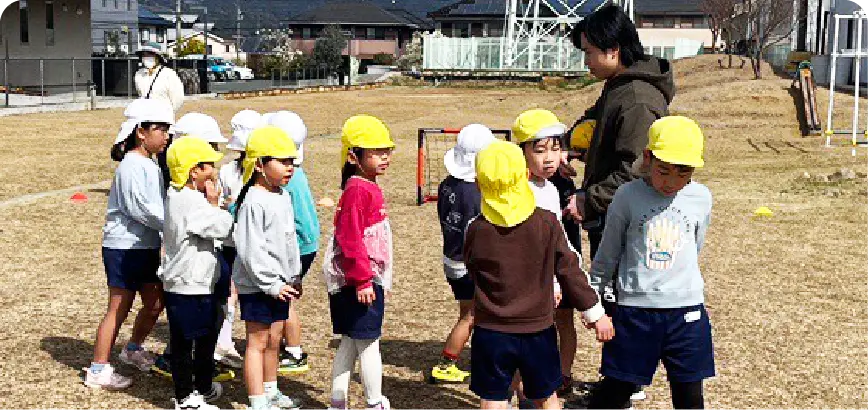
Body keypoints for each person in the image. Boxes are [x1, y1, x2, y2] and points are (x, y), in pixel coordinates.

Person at [464, 140, 611, 410]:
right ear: (526, 176)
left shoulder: (476, 229)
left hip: (491, 331)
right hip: (537, 330)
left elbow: (471, 266)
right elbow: (569, 270)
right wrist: (594, 313)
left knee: (493, 398)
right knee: (546, 395)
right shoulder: (546, 222)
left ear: (478, 184)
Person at [584, 116, 714, 410]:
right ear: (647, 158)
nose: (671, 182)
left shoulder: (701, 198)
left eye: (683, 173)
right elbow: (609, 251)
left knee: (690, 394)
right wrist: (593, 296)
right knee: (616, 389)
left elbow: (695, 246)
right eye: (663, 170)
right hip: (635, 312)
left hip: (686, 312)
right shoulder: (627, 196)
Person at [85, 99, 173, 390]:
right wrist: (175, 224)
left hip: (145, 246)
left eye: (167, 130)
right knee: (119, 307)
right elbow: (141, 209)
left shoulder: (150, 163)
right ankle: (98, 368)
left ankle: (133, 348)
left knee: (155, 302)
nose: (166, 136)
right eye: (161, 129)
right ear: (141, 132)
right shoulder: (132, 164)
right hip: (124, 247)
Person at [150, 113, 236, 383]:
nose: (214, 169)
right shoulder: (191, 201)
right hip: (190, 282)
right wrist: (216, 205)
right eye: (208, 163)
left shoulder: (176, 194)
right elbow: (222, 227)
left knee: (196, 334)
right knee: (188, 339)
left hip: (188, 279)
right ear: (192, 169)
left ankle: (201, 380)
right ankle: (188, 391)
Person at [323, 115, 395, 410]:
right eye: (376, 152)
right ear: (354, 156)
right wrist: (363, 279)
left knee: (350, 341)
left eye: (387, 151)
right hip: (358, 282)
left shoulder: (365, 186)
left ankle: (338, 399)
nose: (385, 157)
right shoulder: (357, 190)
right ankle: (374, 402)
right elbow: (350, 238)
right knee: (368, 343)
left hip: (359, 278)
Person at [512, 109, 583, 398]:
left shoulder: (553, 189)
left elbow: (558, 240)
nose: (550, 158)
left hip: (554, 278)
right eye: (540, 150)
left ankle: (561, 377)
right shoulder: (516, 190)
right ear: (522, 151)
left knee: (563, 322)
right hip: (526, 283)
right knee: (522, 340)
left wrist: (562, 276)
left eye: (556, 149)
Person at [233, 126, 303, 410]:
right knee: (257, 341)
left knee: (275, 339)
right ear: (260, 164)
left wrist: (294, 275)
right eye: (282, 161)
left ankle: (271, 390)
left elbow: (288, 240)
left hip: (281, 284)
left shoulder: (282, 196)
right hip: (259, 285)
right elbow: (251, 250)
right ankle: (257, 400)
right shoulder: (253, 201)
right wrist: (271, 284)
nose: (289, 168)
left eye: (292, 162)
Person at [429, 124, 496, 384]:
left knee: (467, 312)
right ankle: (447, 361)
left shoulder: (448, 185)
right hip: (468, 264)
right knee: (473, 315)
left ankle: (475, 357)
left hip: (451, 258)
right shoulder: (475, 193)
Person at [266, 111, 321, 374]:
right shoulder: (295, 171)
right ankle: (293, 349)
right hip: (307, 242)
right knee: (286, 299)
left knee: (283, 299)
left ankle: (294, 351)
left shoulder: (282, 178)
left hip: (297, 244)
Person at [213, 109, 263, 369]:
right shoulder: (232, 171)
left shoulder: (239, 170)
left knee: (237, 291)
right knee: (233, 291)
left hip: (242, 240)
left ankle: (227, 338)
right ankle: (224, 339)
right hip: (234, 241)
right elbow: (221, 202)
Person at [135, 42, 185, 191]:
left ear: (158, 57)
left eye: (150, 55)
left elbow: (178, 99)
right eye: (144, 55)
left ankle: (166, 186)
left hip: (164, 122)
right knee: (144, 154)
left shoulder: (168, 74)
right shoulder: (139, 75)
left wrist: (164, 115)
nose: (147, 58)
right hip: (145, 121)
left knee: (164, 157)